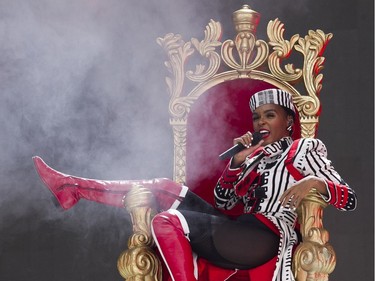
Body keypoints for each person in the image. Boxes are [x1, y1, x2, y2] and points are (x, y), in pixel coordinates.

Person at [33, 88, 357, 281]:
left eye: (269, 116)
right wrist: (239, 161)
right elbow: (224, 200)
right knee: (162, 187)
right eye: (257, 117)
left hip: (268, 235)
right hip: (238, 226)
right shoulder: (255, 157)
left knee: (166, 222)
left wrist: (315, 183)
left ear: (288, 121)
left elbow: (347, 197)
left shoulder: (303, 149)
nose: (261, 123)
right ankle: (71, 187)